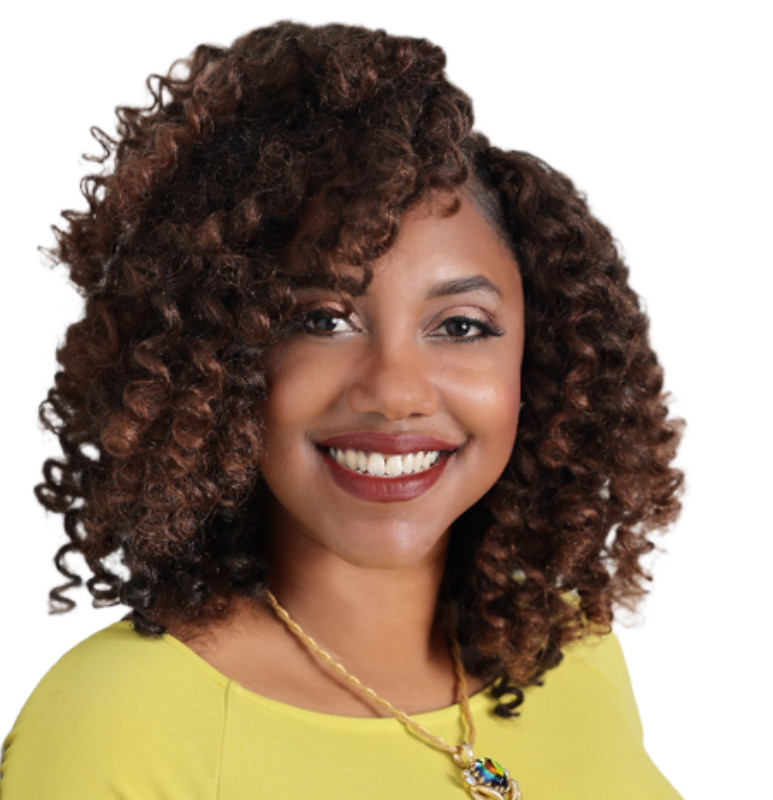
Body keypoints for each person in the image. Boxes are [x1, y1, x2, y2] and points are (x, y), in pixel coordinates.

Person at [0, 21, 684, 799]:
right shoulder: (120, 726)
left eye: (460, 327)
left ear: (541, 360)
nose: (395, 391)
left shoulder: (569, 651)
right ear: (218, 357)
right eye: (322, 318)